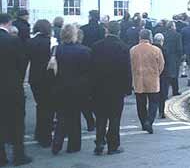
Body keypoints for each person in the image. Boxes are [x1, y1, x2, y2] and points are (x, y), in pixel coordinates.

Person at [91, 21, 132, 156]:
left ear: (106, 31)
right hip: (116, 89)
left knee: (101, 117)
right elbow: (127, 71)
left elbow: (91, 68)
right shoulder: (123, 48)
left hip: (99, 87)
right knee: (115, 118)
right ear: (118, 31)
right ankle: (113, 146)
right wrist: (127, 88)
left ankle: (99, 142)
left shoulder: (96, 46)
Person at [52, 24, 91, 155]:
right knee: (74, 117)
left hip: (60, 86)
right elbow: (88, 72)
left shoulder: (56, 50)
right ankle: (73, 145)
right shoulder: (84, 50)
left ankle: (57, 143)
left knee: (62, 116)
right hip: (78, 88)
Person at [0, 14, 32, 167]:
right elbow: (22, 63)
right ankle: (18, 155)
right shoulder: (13, 40)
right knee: (17, 121)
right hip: (11, 85)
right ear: (9, 23)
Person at [27, 20, 55, 148]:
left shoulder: (30, 42)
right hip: (47, 78)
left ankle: (39, 133)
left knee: (41, 105)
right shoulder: (51, 42)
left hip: (34, 77)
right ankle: (46, 137)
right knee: (48, 108)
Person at [130, 29, 164, 134]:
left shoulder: (133, 50)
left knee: (141, 104)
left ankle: (143, 123)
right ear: (150, 37)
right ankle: (149, 121)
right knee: (153, 102)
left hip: (138, 80)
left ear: (139, 37)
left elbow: (130, 65)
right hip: (152, 80)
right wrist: (157, 73)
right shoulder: (156, 50)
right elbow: (161, 65)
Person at [163, 21, 183, 98]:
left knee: (167, 76)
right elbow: (179, 48)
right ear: (172, 27)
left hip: (166, 56)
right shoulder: (177, 35)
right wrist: (180, 57)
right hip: (174, 57)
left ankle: (165, 93)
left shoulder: (164, 34)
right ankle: (175, 90)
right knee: (175, 75)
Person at [152, 33, 169, 119]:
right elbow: (166, 63)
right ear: (162, 41)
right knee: (162, 95)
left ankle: (152, 112)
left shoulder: (151, 49)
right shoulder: (164, 50)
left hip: (152, 74)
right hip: (162, 75)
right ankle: (161, 112)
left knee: (153, 95)